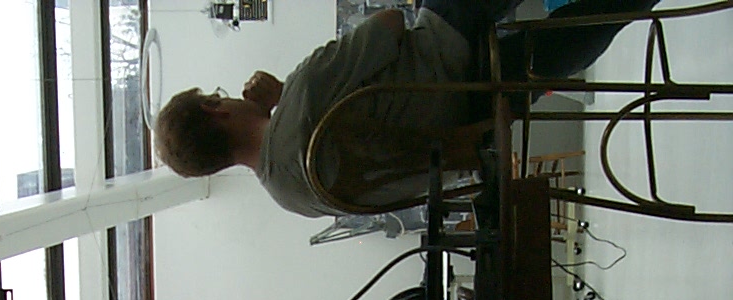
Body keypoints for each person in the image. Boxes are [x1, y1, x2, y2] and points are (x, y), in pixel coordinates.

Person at [154, 0, 660, 217]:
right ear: (216, 111)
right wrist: (284, 93)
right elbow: (391, 25)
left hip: (482, 120)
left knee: (579, 32)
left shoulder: (293, 199)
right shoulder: (302, 94)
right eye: (217, 96)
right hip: (449, 44)